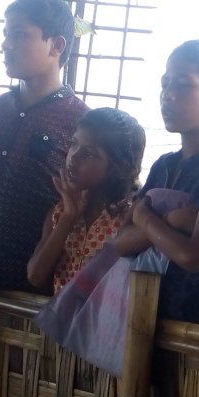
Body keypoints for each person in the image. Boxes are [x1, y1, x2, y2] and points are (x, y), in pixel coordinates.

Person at [0, 0, 90, 314]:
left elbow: (97, 207)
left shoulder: (81, 122)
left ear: (56, 46)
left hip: (44, 295)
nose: (5, 45)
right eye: (6, 34)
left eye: (18, 34)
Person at [112, 40, 199, 328]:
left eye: (184, 86)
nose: (168, 95)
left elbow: (192, 256)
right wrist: (173, 222)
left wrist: (146, 219)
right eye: (165, 84)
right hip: (146, 318)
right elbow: (121, 243)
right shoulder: (164, 164)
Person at [27, 107, 146, 292]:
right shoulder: (60, 213)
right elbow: (36, 276)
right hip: (63, 320)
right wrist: (69, 217)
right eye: (74, 144)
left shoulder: (132, 216)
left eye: (88, 154)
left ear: (118, 166)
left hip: (107, 321)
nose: (72, 158)